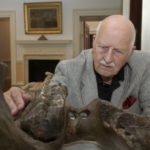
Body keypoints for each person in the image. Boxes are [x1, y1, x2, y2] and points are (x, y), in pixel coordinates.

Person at [4, 15, 150, 116]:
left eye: (118, 51)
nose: (108, 58)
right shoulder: (68, 69)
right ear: (94, 41)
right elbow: (49, 98)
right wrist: (20, 94)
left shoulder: (144, 66)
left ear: (131, 52)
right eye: (103, 47)